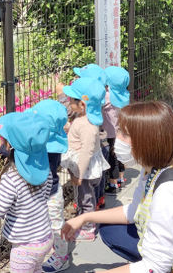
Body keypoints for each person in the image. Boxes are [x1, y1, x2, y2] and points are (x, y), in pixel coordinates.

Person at [61, 101, 173, 273]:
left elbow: (154, 267)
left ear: (147, 141)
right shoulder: (154, 168)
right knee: (110, 230)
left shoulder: (170, 193)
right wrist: (85, 218)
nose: (117, 139)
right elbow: (135, 211)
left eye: (124, 134)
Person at [0, 112, 53, 273]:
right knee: (36, 269)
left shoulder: (11, 179)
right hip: (45, 237)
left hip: (24, 248)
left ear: (9, 146)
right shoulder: (45, 169)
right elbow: (47, 193)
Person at [21, 100, 71, 273]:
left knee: (56, 226)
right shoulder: (52, 145)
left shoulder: (45, 151)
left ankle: (62, 256)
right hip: (47, 191)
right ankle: (54, 249)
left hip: (49, 194)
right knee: (49, 225)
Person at [60, 77, 109, 242]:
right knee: (85, 197)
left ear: (82, 104)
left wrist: (79, 174)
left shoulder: (87, 125)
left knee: (86, 199)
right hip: (85, 168)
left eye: (71, 100)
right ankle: (85, 220)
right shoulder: (85, 120)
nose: (68, 102)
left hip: (85, 170)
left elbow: (87, 151)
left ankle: (88, 229)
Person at [103, 66, 130, 195]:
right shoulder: (124, 94)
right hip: (121, 131)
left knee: (112, 157)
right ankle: (121, 177)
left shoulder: (108, 97)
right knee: (118, 155)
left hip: (111, 132)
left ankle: (113, 184)